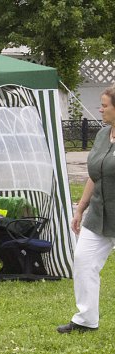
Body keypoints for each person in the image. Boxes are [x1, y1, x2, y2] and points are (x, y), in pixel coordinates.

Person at [58, 86, 115, 333]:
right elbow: (94, 175)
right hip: (99, 214)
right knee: (83, 260)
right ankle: (86, 320)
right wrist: (80, 208)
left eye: (105, 105)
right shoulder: (103, 135)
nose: (100, 109)